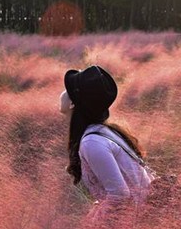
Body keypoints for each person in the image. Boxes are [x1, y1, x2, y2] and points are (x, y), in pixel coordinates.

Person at [60, 65, 153, 207]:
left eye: (69, 90)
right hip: (141, 216)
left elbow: (119, 195)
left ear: (73, 103)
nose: (63, 92)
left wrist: (92, 221)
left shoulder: (92, 142)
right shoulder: (102, 132)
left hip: (140, 221)